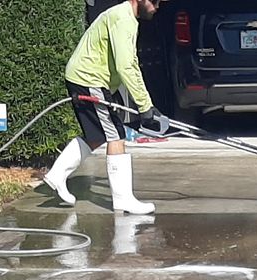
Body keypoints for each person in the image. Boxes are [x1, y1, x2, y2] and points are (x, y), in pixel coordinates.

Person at [43, 0, 172, 214]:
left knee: (97, 135)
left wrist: (146, 106)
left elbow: (126, 63)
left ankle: (56, 175)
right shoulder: (122, 18)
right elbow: (126, 66)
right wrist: (145, 106)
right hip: (89, 79)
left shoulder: (126, 17)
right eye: (155, 1)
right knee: (116, 134)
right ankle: (123, 200)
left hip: (87, 78)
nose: (157, 6)